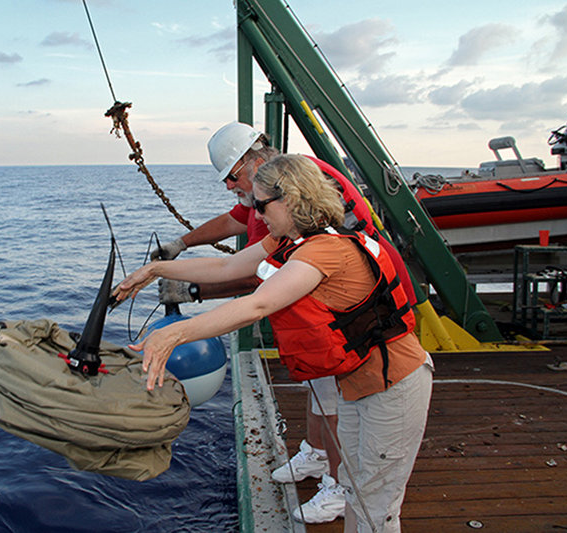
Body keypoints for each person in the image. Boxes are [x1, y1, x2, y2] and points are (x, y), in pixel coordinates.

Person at [114, 154, 433, 533]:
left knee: (376, 504)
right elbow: (227, 268)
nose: (256, 214)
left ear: (293, 199)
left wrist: (173, 333)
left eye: (262, 205)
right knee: (354, 487)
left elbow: (259, 303)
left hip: (392, 388)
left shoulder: (325, 251)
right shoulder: (289, 239)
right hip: (357, 386)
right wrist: (155, 269)